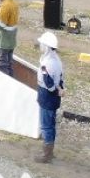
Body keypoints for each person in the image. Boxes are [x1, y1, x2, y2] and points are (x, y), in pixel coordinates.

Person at [36, 31, 65, 163]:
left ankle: (46, 155)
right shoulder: (57, 60)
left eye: (42, 44)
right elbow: (60, 79)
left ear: (47, 46)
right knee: (51, 125)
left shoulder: (46, 63)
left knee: (46, 126)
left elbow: (48, 83)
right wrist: (60, 89)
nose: (40, 46)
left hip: (47, 97)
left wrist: (55, 90)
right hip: (53, 98)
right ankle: (50, 151)